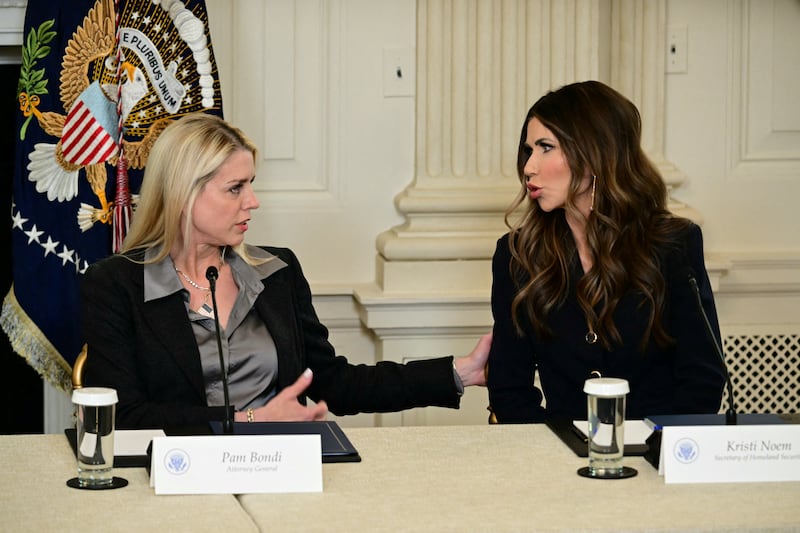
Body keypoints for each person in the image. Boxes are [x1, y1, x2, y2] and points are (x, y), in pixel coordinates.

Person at [81, 112, 491, 430]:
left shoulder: (276, 272)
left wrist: (458, 371)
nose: (254, 201)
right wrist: (249, 423)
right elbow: (126, 416)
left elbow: (335, 382)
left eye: (251, 184)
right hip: (175, 476)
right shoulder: (116, 285)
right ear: (183, 195)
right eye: (235, 188)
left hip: (280, 469)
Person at [486, 81, 724, 423]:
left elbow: (702, 382)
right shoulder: (517, 255)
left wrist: (650, 451)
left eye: (546, 147)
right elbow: (509, 392)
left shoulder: (673, 244)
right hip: (557, 461)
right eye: (529, 150)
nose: (528, 167)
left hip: (656, 458)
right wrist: (558, 454)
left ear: (595, 153)